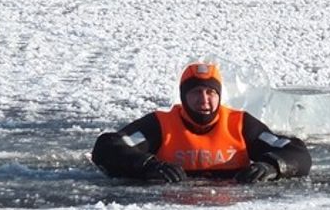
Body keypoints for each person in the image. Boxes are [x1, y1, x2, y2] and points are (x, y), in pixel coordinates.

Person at [92, 61, 312, 184]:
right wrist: (149, 166)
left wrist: (272, 166)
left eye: (210, 92)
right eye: (196, 92)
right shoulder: (161, 124)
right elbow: (108, 147)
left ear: (218, 95)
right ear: (183, 96)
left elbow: (296, 152)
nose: (204, 100)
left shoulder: (240, 124)